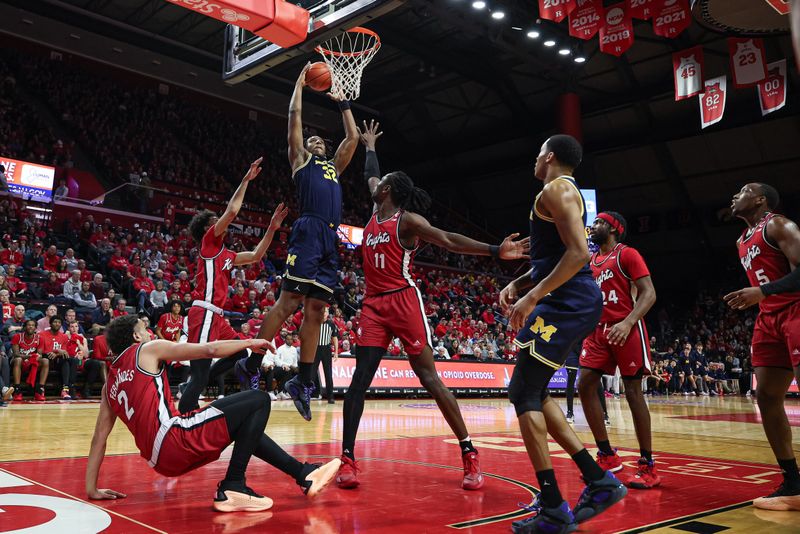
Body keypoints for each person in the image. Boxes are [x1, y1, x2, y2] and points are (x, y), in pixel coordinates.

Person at [335, 121, 529, 491]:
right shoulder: (378, 209)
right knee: (359, 381)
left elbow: (448, 240)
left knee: (428, 377)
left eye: (381, 183)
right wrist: (371, 146)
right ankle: (348, 458)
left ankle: (469, 451)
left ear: (389, 190)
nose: (374, 186)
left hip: (404, 301)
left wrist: (493, 250)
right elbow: (370, 174)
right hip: (373, 306)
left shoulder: (407, 221)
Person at [499, 135, 626, 533]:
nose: (535, 160)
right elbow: (556, 256)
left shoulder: (556, 188)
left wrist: (532, 296)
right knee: (534, 392)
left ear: (550, 157)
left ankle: (554, 507)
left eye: (538, 153)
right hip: (567, 299)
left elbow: (578, 255)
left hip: (567, 301)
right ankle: (598, 480)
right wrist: (521, 285)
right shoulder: (559, 192)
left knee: (522, 392)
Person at [85, 315, 340, 512]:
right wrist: (249, 342)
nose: (150, 332)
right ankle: (233, 485)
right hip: (175, 438)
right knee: (259, 399)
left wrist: (92, 488)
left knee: (243, 422)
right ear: (135, 337)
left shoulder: (110, 385)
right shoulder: (147, 350)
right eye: (144, 329)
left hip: (160, 462)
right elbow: (208, 350)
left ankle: (304, 474)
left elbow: (99, 438)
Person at [240, 63, 359, 422]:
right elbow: (294, 115)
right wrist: (300, 82)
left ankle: (303, 382)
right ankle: (253, 363)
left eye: (320, 140)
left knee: (317, 312)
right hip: (308, 230)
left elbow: (351, 139)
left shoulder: (333, 168)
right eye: (312, 140)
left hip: (330, 237)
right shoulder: (301, 161)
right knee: (290, 300)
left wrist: (342, 104)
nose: (316, 141)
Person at [178, 155, 287, 413]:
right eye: (215, 220)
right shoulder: (209, 242)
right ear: (208, 227)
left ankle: (194, 383)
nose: (221, 222)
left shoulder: (227, 254)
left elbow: (257, 255)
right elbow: (233, 210)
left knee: (239, 353)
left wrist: (272, 228)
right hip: (203, 311)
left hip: (217, 317)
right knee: (202, 372)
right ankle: (185, 414)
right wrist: (245, 180)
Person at [724, 183, 800, 511]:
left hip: (796, 311)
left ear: (760, 199)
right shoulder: (742, 240)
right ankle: (793, 483)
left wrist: (763, 292)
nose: (734, 195)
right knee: (766, 397)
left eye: (743, 191)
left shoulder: (779, 225)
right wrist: (761, 296)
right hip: (769, 320)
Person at [578, 211, 660, 489]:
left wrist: (628, 322)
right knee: (584, 383)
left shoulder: (627, 255)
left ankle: (648, 465)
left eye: (599, 223)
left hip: (626, 328)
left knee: (633, 393)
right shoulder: (590, 260)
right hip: (598, 331)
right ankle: (606, 454)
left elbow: (649, 293)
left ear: (615, 228)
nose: (594, 226)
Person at [10, 319, 48, 401]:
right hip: (19, 362)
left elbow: (39, 354)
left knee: (45, 361)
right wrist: (30, 356)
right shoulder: (17, 337)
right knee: (18, 359)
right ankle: (17, 390)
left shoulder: (39, 338)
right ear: (24, 327)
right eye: (28, 325)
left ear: (35, 328)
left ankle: (40, 390)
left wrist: (36, 357)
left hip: (32, 362)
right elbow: (16, 354)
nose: (30, 326)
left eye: (33, 325)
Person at [40, 316, 74, 400]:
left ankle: (65, 390)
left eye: (59, 322)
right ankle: (41, 389)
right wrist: (56, 351)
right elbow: (40, 352)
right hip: (45, 359)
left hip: (58, 361)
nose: (57, 324)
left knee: (66, 361)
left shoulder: (64, 337)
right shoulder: (42, 334)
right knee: (48, 358)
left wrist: (56, 353)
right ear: (50, 324)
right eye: (55, 322)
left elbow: (64, 352)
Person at [312, 307, 338, 404]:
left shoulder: (331, 324)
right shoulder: (315, 322)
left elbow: (334, 338)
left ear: (328, 314)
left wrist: (336, 352)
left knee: (328, 373)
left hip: (326, 349)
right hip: (316, 348)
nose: (324, 313)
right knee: (312, 373)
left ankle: (330, 397)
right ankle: (311, 394)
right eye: (322, 311)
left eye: (326, 311)